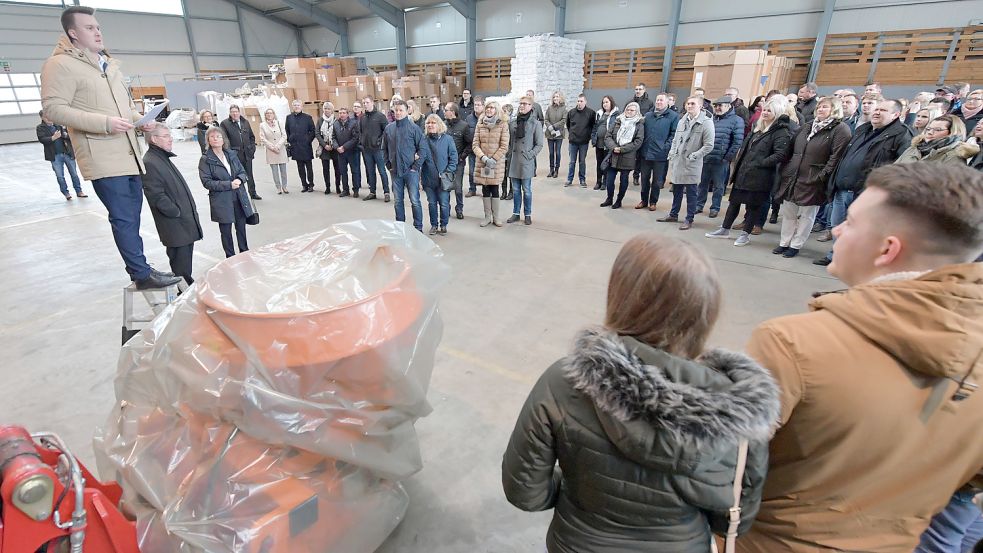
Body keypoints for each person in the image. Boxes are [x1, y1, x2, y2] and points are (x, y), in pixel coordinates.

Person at [737, 162, 983, 553]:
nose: (835, 230)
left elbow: (721, 471)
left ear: (887, 249)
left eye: (849, 223)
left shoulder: (793, 344)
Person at [503, 233, 781, 553]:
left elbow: (524, 491)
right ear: (706, 312)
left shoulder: (564, 381)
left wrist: (574, 496)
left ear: (621, 295)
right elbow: (735, 519)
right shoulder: (739, 412)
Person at [41, 5, 179, 289]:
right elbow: (53, 109)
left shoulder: (108, 65)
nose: (97, 32)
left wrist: (142, 121)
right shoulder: (60, 65)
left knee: (132, 217)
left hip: (129, 153)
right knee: (123, 218)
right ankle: (141, 274)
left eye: (98, 27)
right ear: (73, 33)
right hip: (103, 155)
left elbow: (125, 108)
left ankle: (140, 266)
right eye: (89, 28)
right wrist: (104, 123)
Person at [814, 99, 914, 266]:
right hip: (843, 188)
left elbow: (901, 168)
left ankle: (853, 261)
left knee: (861, 230)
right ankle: (836, 256)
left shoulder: (902, 135)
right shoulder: (863, 129)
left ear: (896, 114)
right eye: (876, 109)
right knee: (838, 227)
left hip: (866, 193)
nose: (876, 112)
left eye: (883, 110)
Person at [705, 97, 792, 246]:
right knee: (734, 202)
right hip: (744, 172)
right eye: (764, 109)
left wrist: (760, 163)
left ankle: (745, 234)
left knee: (753, 207)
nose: (765, 113)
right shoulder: (757, 129)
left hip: (760, 176)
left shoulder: (780, 132)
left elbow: (780, 154)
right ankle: (725, 229)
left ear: (777, 113)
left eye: (769, 110)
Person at [772, 96, 851, 258]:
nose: (820, 109)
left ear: (834, 109)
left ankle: (796, 245)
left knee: (807, 215)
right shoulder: (807, 126)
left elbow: (836, 157)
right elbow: (791, 149)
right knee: (789, 212)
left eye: (825, 107)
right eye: (820, 107)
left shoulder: (840, 129)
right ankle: (784, 242)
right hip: (793, 175)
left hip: (814, 178)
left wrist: (821, 176)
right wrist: (786, 169)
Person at [141, 126, 202, 285]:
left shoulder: (161, 158)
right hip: (175, 225)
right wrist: (176, 211)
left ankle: (186, 292)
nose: (171, 139)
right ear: (154, 139)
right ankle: (185, 296)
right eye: (166, 136)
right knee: (181, 267)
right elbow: (156, 196)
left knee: (185, 265)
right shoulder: (150, 162)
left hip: (182, 223)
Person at [659, 96, 714, 230]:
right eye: (688, 103)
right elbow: (675, 139)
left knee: (691, 193)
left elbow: (709, 145)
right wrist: (672, 152)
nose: (689, 106)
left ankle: (689, 218)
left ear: (701, 106)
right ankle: (673, 214)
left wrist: (695, 155)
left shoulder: (706, 122)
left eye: (693, 104)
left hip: (692, 163)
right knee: (676, 190)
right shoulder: (682, 120)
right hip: (678, 161)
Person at [198, 126, 254, 259]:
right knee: (226, 232)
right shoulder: (206, 160)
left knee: (241, 228)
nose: (216, 139)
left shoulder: (231, 154)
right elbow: (207, 182)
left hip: (238, 197)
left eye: (218, 136)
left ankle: (244, 252)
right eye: (212, 137)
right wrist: (229, 184)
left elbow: (242, 172)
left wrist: (239, 180)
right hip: (222, 200)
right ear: (208, 141)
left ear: (223, 140)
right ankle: (230, 257)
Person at [696, 96, 745, 218]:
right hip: (706, 157)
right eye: (716, 105)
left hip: (721, 159)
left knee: (719, 186)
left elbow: (737, 141)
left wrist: (727, 157)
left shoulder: (737, 120)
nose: (717, 108)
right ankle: (699, 205)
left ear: (728, 106)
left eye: (720, 105)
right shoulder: (711, 119)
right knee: (702, 184)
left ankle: (715, 208)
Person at [384, 99, 427, 231]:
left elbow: (423, 149)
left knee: (415, 200)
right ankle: (400, 227)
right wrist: (388, 164)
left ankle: (418, 227)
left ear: (407, 110)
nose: (398, 113)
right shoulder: (389, 128)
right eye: (396, 110)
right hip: (395, 171)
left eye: (400, 110)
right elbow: (384, 148)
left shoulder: (414, 129)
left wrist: (415, 167)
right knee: (398, 201)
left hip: (411, 171)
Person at [472, 101, 510, 228]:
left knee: (494, 189)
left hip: (495, 163)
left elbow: (504, 146)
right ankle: (487, 217)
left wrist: (493, 159)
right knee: (485, 188)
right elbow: (475, 144)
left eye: (492, 108)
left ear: (497, 110)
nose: (489, 110)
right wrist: (483, 157)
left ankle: (496, 217)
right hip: (483, 163)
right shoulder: (480, 123)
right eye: (487, 108)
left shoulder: (503, 124)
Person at [637, 93, 677, 211]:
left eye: (661, 100)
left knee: (657, 181)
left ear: (667, 102)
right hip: (646, 153)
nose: (659, 102)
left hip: (660, 155)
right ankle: (644, 200)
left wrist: (665, 147)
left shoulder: (673, 116)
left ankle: (653, 201)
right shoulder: (648, 115)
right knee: (644, 179)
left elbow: (674, 134)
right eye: (657, 100)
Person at [507, 96, 544, 226]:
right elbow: (509, 142)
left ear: (531, 107)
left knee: (526, 190)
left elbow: (539, 144)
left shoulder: (535, 123)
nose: (522, 106)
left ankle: (527, 214)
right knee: (516, 190)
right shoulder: (513, 122)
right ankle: (516, 213)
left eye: (525, 104)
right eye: (520, 103)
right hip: (514, 161)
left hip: (526, 161)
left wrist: (530, 155)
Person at [600, 101, 644, 210]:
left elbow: (638, 142)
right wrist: (614, 147)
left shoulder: (639, 124)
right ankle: (609, 198)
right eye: (628, 109)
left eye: (632, 110)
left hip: (627, 157)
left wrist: (622, 149)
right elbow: (608, 136)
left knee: (623, 181)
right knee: (609, 180)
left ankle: (619, 200)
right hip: (613, 155)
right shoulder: (618, 121)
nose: (629, 111)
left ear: (636, 112)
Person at [37, 109, 86, 200]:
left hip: (67, 153)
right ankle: (66, 193)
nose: (49, 118)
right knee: (60, 176)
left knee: (74, 174)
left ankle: (79, 191)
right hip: (55, 156)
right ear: (42, 118)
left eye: (50, 116)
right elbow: (42, 139)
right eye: (46, 117)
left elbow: (70, 137)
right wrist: (53, 138)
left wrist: (65, 135)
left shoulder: (59, 125)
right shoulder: (40, 128)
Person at [421, 114, 457, 236]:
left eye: (433, 123)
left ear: (439, 124)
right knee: (431, 203)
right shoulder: (423, 140)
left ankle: (444, 224)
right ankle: (434, 225)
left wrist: (447, 172)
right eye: (428, 123)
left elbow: (453, 158)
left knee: (444, 203)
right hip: (428, 178)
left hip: (443, 179)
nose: (430, 125)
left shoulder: (448, 139)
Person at [895, 114, 978, 164]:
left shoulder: (955, 154)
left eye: (938, 130)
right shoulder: (915, 147)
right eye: (928, 129)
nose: (930, 132)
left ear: (952, 132)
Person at [220, 105, 261, 200]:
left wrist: (252, 148)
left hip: (247, 154)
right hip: (235, 156)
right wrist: (230, 153)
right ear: (230, 113)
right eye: (232, 112)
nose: (234, 113)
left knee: (249, 175)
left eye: (236, 111)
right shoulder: (225, 124)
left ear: (239, 112)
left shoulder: (245, 122)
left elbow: (251, 137)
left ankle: (253, 193)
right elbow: (225, 140)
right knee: (237, 176)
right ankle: (240, 196)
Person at [359, 95, 391, 202]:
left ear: (372, 102)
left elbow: (386, 132)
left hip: (378, 150)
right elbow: (360, 132)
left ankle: (386, 192)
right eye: (364, 103)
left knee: (382, 171)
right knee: (370, 171)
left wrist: (379, 142)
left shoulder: (380, 116)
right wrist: (362, 142)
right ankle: (372, 192)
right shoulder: (362, 118)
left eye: (367, 102)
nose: (365, 105)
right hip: (367, 150)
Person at [443, 102, 470, 220]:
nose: (444, 112)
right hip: (445, 162)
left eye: (446, 110)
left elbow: (469, 144)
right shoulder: (443, 125)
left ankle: (459, 209)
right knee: (446, 186)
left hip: (458, 162)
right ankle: (446, 209)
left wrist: (462, 157)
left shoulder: (464, 126)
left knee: (458, 187)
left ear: (452, 112)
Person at [284, 100, 316, 193]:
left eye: (298, 105)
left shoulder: (307, 117)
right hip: (295, 146)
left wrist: (308, 140)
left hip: (306, 146)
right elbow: (287, 130)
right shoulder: (289, 118)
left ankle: (311, 184)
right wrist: (290, 139)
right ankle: (304, 185)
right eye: (294, 105)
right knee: (300, 167)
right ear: (292, 107)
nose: (296, 106)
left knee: (309, 167)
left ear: (302, 106)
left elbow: (313, 131)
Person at [565, 94, 596, 188]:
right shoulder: (571, 112)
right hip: (573, 142)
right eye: (578, 101)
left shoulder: (591, 113)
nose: (579, 103)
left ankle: (582, 180)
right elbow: (568, 125)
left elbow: (593, 126)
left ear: (585, 102)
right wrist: (572, 135)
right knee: (572, 162)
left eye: (581, 101)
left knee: (582, 162)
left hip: (584, 142)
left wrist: (588, 135)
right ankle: (569, 179)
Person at [332, 106, 361, 198]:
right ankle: (345, 190)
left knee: (355, 171)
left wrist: (344, 147)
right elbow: (333, 137)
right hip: (340, 153)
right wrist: (337, 147)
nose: (342, 115)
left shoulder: (354, 123)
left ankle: (355, 190)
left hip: (352, 151)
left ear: (348, 114)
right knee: (343, 172)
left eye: (344, 113)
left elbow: (355, 138)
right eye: (340, 113)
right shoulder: (336, 124)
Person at [259, 108, 289, 195]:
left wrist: (278, 146)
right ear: (265, 115)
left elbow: (284, 135)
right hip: (271, 151)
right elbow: (262, 138)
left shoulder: (279, 123)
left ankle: (284, 186)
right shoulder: (262, 125)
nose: (269, 115)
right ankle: (278, 187)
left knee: (283, 170)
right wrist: (272, 147)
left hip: (281, 149)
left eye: (271, 113)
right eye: (267, 113)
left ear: (274, 114)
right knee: (275, 171)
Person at [592, 96, 619, 190]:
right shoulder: (599, 114)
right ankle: (598, 181)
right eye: (603, 102)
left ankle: (605, 182)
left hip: (608, 144)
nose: (605, 104)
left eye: (607, 102)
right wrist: (593, 138)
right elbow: (595, 127)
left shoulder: (616, 115)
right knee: (599, 162)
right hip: (599, 143)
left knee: (606, 163)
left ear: (611, 102)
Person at [314, 102, 339, 196]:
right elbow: (317, 133)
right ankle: (327, 187)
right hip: (324, 147)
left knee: (337, 168)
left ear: (332, 110)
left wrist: (334, 144)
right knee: (325, 169)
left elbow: (338, 133)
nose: (327, 110)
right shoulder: (320, 120)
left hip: (334, 147)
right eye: (325, 108)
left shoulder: (336, 120)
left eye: (328, 108)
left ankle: (338, 186)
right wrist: (324, 145)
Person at [464, 95, 485, 198]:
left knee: (485, 171)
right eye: (475, 105)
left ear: (483, 105)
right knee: (472, 171)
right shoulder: (469, 118)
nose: (476, 107)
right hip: (472, 150)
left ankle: (486, 190)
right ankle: (472, 189)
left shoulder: (487, 117)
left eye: (478, 105)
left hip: (484, 151)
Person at [544, 91, 567, 179]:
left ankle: (557, 169)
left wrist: (554, 126)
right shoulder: (549, 108)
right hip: (550, 133)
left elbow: (564, 120)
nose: (555, 98)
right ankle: (551, 169)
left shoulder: (564, 108)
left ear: (560, 98)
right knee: (551, 153)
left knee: (557, 152)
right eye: (554, 97)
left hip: (559, 134)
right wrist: (550, 127)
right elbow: (546, 119)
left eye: (557, 96)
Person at [500, 103, 516, 201]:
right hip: (503, 153)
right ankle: (504, 191)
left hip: (511, 152)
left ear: (510, 112)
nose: (503, 114)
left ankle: (511, 192)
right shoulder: (501, 123)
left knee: (510, 173)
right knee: (503, 174)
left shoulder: (513, 124)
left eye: (505, 112)